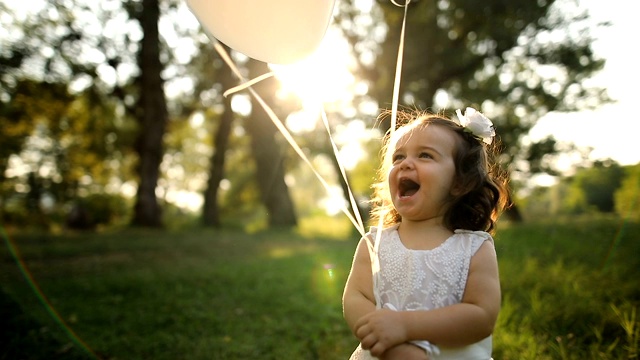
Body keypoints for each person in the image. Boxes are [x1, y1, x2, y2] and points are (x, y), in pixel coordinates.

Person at [342, 107, 510, 359]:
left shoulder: (474, 247)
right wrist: (389, 342)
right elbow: (355, 298)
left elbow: (481, 316)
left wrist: (404, 326)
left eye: (425, 155)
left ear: (459, 182)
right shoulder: (374, 244)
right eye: (398, 157)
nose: (406, 163)